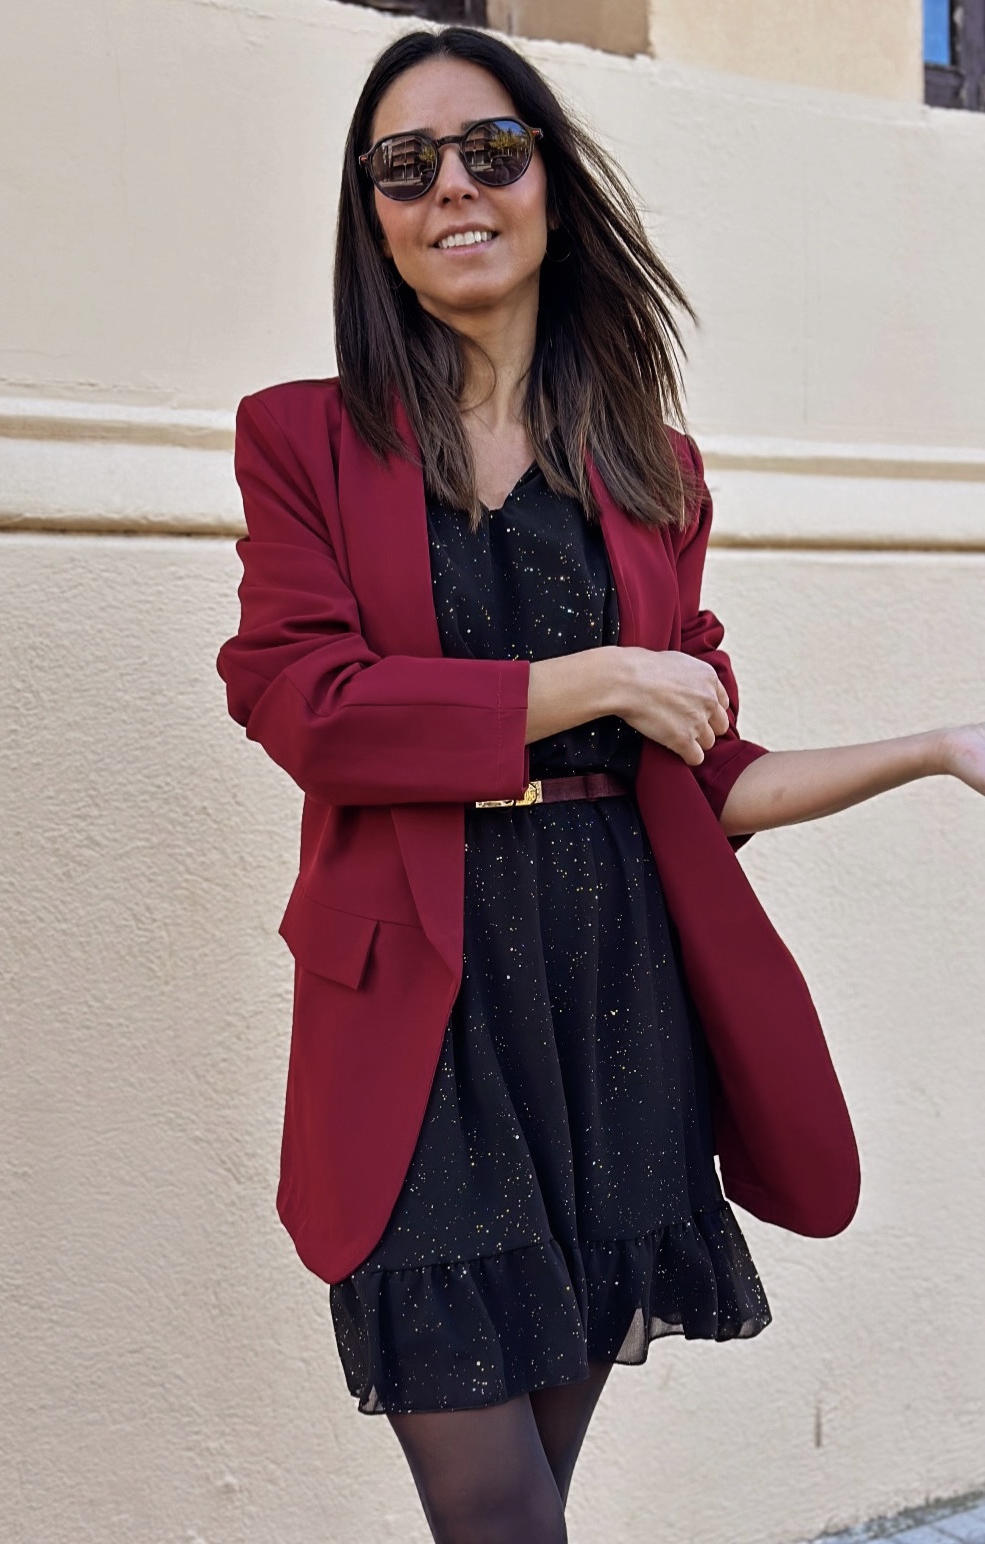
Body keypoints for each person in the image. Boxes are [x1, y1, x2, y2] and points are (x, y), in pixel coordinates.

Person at [216, 26, 985, 1544]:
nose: (452, 186)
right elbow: (308, 706)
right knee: (495, 1508)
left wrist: (937, 748)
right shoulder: (302, 438)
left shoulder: (651, 468)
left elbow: (706, 772)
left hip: (613, 996)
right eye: (405, 166)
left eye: (491, 151)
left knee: (530, 1507)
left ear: (552, 189)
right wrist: (594, 679)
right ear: (373, 218)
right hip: (424, 1012)